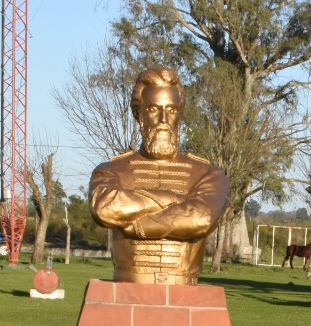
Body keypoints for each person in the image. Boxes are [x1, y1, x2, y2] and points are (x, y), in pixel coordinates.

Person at [88, 66, 231, 285]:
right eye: (154, 108)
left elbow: (201, 218)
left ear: (180, 114)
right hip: (127, 286)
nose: (163, 119)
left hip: (185, 287)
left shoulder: (209, 174)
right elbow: (105, 209)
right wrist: (174, 199)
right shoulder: (111, 170)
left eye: (171, 109)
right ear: (139, 114)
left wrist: (132, 226)